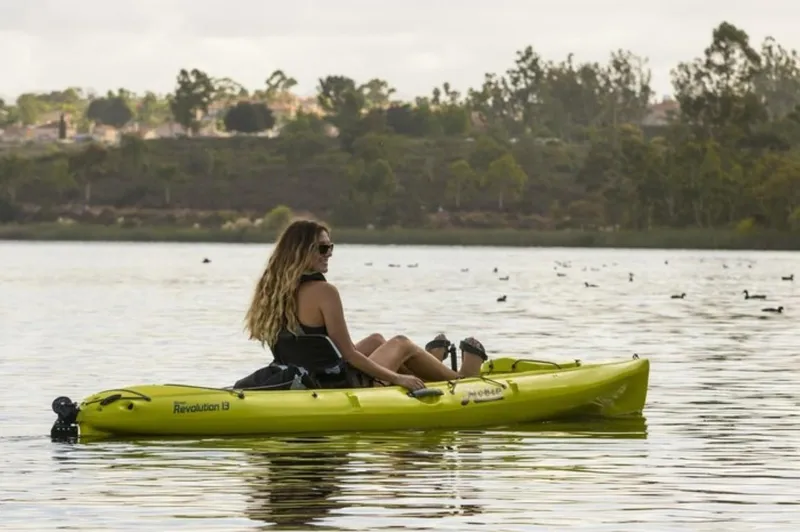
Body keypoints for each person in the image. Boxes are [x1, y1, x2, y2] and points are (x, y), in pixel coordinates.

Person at [244, 219, 488, 391]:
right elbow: (349, 355)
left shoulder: (274, 294)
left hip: (307, 375)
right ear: (301, 252)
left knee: (376, 340)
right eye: (323, 248)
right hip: (336, 385)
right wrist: (397, 379)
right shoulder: (325, 292)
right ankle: (462, 378)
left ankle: (431, 364)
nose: (329, 253)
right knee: (401, 343)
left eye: (330, 247)